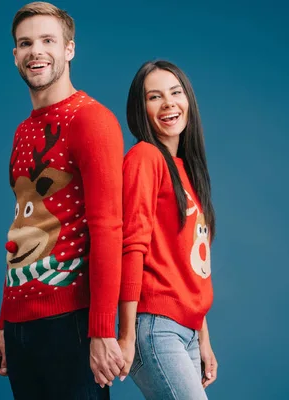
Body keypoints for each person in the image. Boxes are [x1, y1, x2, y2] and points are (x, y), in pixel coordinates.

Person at [0, 2, 125, 399]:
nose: (36, 51)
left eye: (48, 40)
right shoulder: (22, 131)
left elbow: (108, 228)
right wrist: (4, 323)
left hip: (71, 323)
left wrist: (101, 330)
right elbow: (22, 228)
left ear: (69, 49)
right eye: (25, 43)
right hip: (19, 325)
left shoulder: (92, 120)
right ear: (15, 55)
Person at [117, 60, 219, 399]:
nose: (168, 104)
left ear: (188, 98)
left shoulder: (186, 171)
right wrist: (127, 336)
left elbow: (189, 266)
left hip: (186, 331)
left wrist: (203, 339)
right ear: (140, 108)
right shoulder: (145, 157)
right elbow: (132, 247)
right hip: (155, 327)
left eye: (176, 93)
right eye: (154, 97)